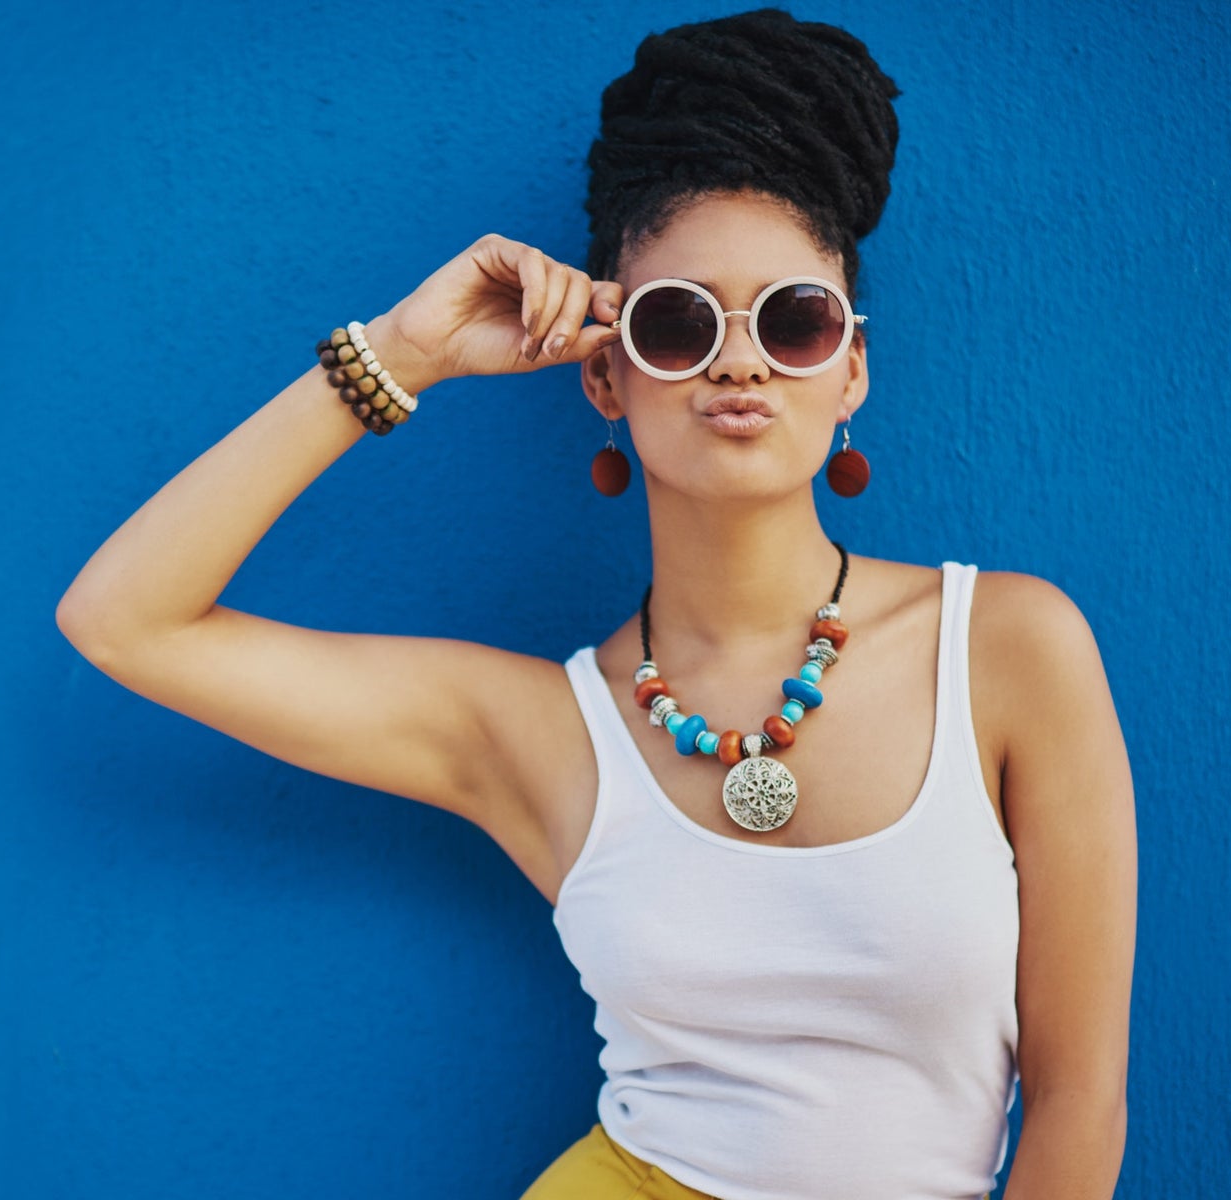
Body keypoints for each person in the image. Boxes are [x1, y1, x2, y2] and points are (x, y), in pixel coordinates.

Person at [56, 8, 1135, 1199]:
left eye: (792, 318)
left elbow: (1079, 1097)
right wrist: (401, 354)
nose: (737, 361)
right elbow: (124, 620)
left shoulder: (1010, 647)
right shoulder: (537, 734)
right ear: (606, 375)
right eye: (675, 321)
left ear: (851, 368)